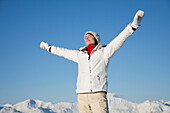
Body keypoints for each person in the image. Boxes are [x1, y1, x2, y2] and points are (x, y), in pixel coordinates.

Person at [40, 10, 145, 113]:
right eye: (86, 37)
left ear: (96, 39)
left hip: (98, 95)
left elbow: (119, 40)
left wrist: (132, 26)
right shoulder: (79, 55)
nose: (87, 38)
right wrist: (49, 48)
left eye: (90, 36)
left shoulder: (104, 52)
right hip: (82, 96)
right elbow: (63, 52)